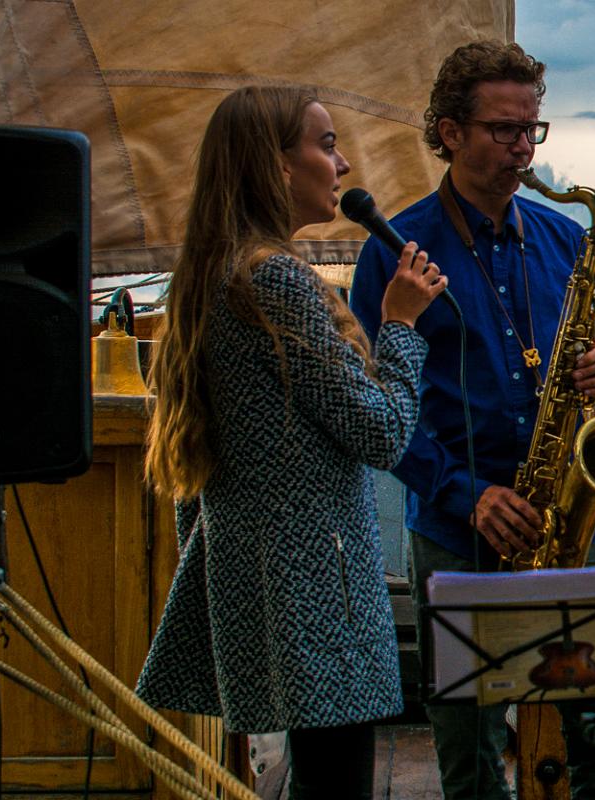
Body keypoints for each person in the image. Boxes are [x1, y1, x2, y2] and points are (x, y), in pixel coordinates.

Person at [347, 40, 595, 800]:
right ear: (449, 132)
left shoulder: (568, 240)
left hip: (566, 523)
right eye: (503, 131)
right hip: (461, 527)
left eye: (531, 131)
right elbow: (381, 410)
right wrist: (466, 493)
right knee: (472, 754)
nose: (523, 149)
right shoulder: (395, 253)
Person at [136, 85, 448, 799]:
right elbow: (381, 431)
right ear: (277, 166)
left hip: (263, 576)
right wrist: (400, 325)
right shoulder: (274, 280)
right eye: (326, 143)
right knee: (335, 783)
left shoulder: (215, 272)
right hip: (316, 585)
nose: (342, 164)